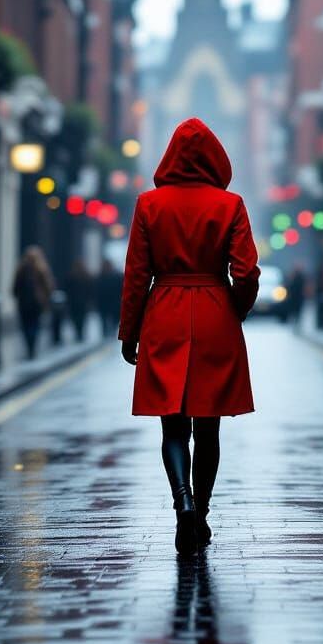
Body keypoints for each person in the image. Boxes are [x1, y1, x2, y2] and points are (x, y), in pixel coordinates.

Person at [119, 117, 260, 557]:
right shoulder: (230, 204)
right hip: (215, 311)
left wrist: (130, 331)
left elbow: (136, 275)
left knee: (173, 425)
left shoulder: (148, 205)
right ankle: (200, 514)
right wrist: (234, 309)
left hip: (164, 312)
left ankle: (181, 499)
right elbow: (248, 272)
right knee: (209, 427)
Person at [12, 245, 54, 359]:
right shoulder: (41, 268)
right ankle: (32, 345)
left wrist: (16, 295)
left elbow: (15, 287)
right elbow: (49, 286)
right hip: (37, 302)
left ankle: (29, 345)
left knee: (26, 325)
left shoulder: (21, 268)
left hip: (24, 302)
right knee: (35, 324)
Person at [64, 259, 94, 342]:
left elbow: (90, 290)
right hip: (78, 302)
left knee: (79, 318)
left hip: (78, 302)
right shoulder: (83, 276)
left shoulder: (83, 276)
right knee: (78, 318)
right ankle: (79, 332)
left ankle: (79, 332)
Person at [96, 259, 124, 337]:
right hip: (104, 303)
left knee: (113, 319)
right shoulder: (100, 277)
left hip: (113, 302)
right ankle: (106, 334)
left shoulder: (117, 276)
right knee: (104, 320)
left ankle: (110, 333)